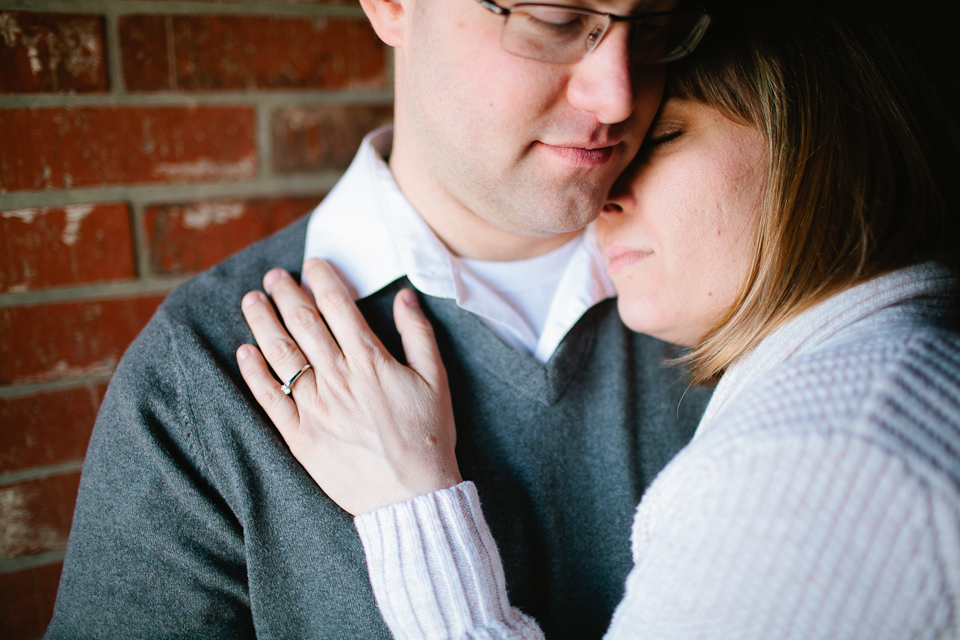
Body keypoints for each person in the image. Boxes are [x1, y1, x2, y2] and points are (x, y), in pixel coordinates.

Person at [237, 1, 960, 638]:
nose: (615, 122)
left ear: (820, 141)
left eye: (666, 137)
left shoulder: (822, 460)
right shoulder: (201, 374)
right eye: (554, 19)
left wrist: (414, 510)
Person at [45, 0, 715, 638]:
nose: (620, 95)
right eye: (556, 19)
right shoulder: (200, 374)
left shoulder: (745, 309)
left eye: (653, 24)